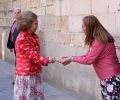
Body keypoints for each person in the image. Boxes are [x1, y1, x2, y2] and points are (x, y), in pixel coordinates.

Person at [58, 15, 120, 100]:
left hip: (111, 78)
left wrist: (71, 58)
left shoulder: (99, 41)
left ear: (90, 27)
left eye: (83, 26)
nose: (82, 28)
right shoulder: (98, 39)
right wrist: (70, 57)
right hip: (108, 77)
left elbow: (88, 60)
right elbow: (87, 56)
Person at [14, 11, 55, 100]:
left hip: (34, 73)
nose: (37, 26)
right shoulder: (22, 38)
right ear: (28, 24)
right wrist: (53, 59)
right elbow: (34, 57)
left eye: (37, 24)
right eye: (35, 24)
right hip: (26, 76)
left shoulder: (32, 36)